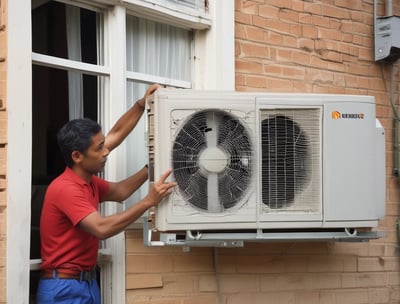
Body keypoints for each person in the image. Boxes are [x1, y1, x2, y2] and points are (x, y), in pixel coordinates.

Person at [36, 84, 176, 304]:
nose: (106, 151)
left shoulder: (88, 181)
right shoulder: (66, 188)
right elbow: (101, 228)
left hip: (85, 283)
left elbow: (120, 190)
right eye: (99, 148)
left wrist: (141, 106)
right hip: (63, 289)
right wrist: (149, 201)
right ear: (77, 156)